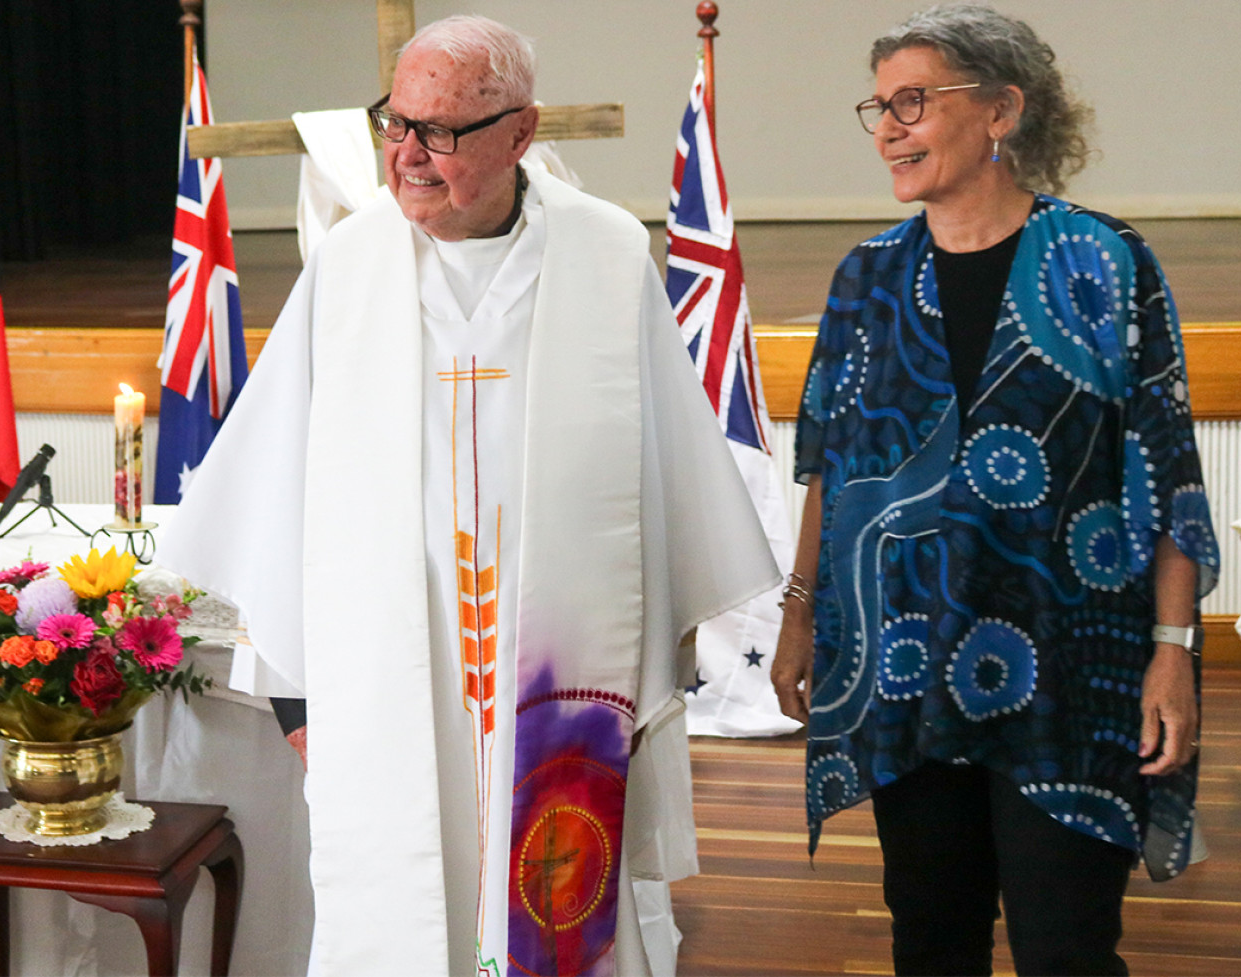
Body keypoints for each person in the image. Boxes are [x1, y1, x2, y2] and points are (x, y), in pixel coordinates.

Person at [157, 15, 777, 977]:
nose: (405, 154)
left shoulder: (608, 258)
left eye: (439, 131)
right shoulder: (350, 266)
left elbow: (669, 492)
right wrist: (296, 700)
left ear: (521, 133)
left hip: (557, 679)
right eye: (394, 123)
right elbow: (278, 499)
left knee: (551, 907)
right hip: (385, 685)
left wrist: (657, 661)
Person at [770, 5, 1220, 975]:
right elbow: (829, 469)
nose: (887, 127)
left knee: (1066, 946)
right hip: (903, 659)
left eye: (913, 101)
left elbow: (1165, 475)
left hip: (1072, 667)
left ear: (1001, 111)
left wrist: (1172, 651)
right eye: (878, 106)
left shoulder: (1104, 261)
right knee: (931, 938)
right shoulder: (866, 278)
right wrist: (799, 615)